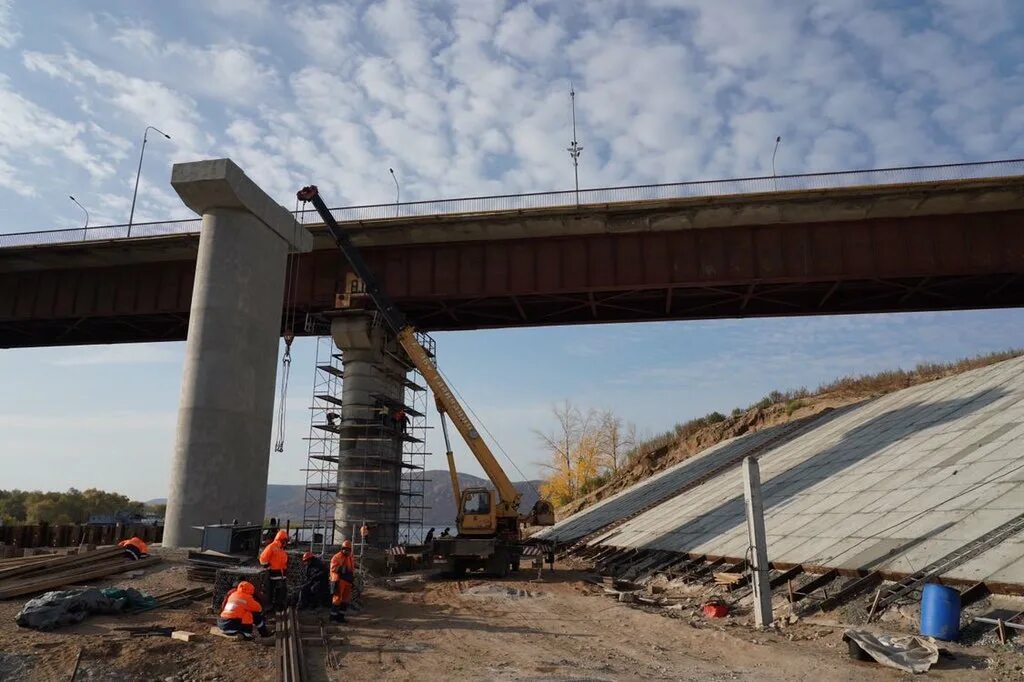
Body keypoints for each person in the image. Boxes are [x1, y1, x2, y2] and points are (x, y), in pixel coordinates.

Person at [259, 529, 289, 609]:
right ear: (281, 539)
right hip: (274, 574)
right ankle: (272, 605)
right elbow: (263, 558)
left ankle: (279, 605)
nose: (286, 542)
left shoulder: (282, 549)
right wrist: (267, 566)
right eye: (285, 540)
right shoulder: (272, 547)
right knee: (273, 590)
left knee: (281, 591)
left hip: (282, 574)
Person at [329, 540, 356, 623]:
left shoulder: (350, 557)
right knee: (337, 599)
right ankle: (333, 618)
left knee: (345, 600)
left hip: (347, 580)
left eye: (349, 550)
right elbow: (333, 568)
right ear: (342, 549)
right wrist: (342, 569)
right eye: (345, 549)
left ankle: (341, 617)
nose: (347, 551)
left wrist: (351, 577)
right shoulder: (337, 557)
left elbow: (352, 568)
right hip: (339, 580)